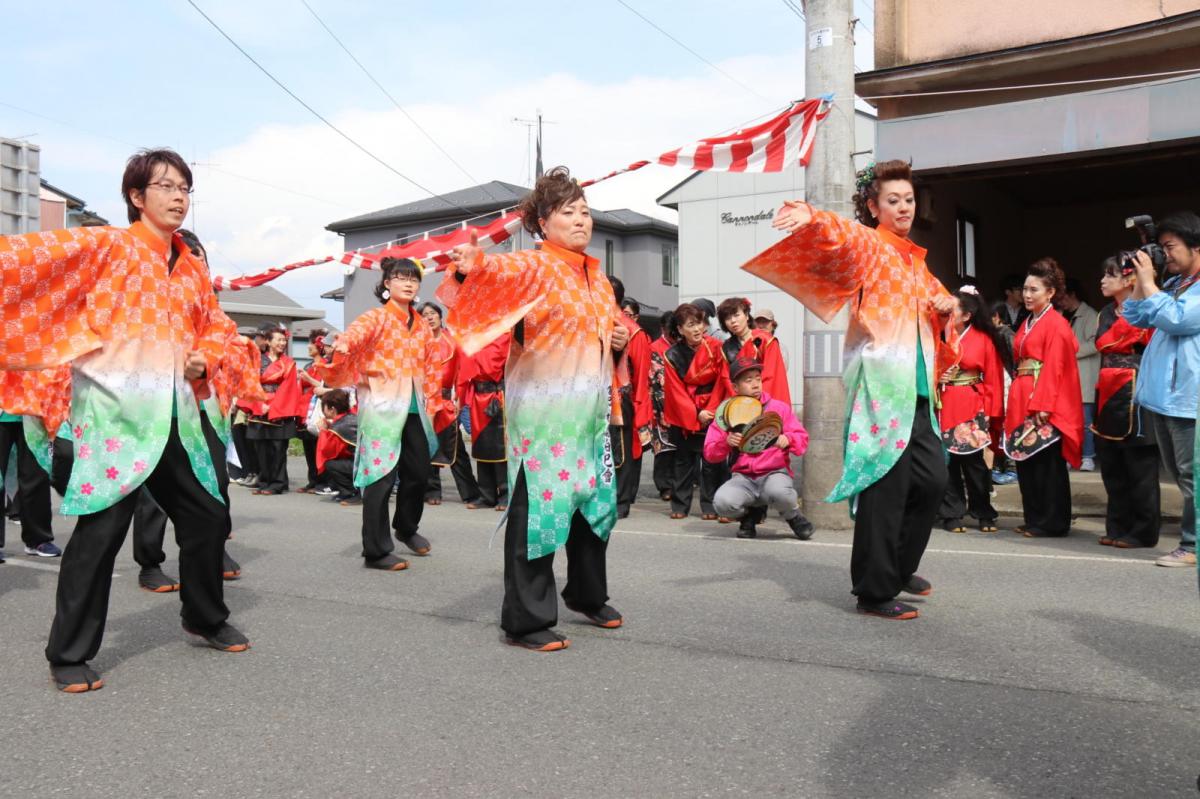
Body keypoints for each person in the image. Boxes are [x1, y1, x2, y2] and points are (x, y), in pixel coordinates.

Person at [0, 148, 251, 692]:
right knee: (101, 532)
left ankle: (203, 616)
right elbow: (20, 260)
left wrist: (205, 356)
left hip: (176, 416)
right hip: (117, 416)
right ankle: (68, 652)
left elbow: (215, 326)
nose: (178, 197)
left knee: (208, 516)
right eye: (165, 186)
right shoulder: (107, 245)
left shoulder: (192, 267)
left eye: (184, 188)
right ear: (136, 196)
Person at [743, 159, 953, 621]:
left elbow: (944, 312)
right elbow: (843, 235)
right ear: (874, 207)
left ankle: (897, 566)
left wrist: (946, 306)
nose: (904, 207)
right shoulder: (871, 244)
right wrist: (813, 217)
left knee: (933, 480)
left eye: (909, 199)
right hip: (881, 388)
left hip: (918, 393)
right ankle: (874, 590)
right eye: (893, 200)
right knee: (886, 484)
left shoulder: (916, 262)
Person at [443, 166, 629, 652]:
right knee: (538, 514)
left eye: (585, 211)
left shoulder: (599, 280)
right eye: (568, 212)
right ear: (543, 223)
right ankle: (525, 620)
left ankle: (588, 595)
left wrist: (618, 342)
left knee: (593, 508)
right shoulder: (532, 267)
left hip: (590, 418)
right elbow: (489, 276)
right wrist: (469, 267)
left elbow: (611, 339)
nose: (581, 220)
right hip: (544, 420)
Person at [315, 257, 440, 570]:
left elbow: (432, 364)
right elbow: (353, 336)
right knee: (380, 476)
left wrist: (436, 401)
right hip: (382, 406)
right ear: (387, 284)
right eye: (401, 278)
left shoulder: (422, 326)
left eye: (414, 278)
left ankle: (406, 527)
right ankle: (375, 549)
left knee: (419, 471)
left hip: (414, 405)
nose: (408, 283)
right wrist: (343, 345)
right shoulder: (375, 318)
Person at [1122, 211, 1200, 567]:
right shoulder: (1174, 284)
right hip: (1165, 397)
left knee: (1191, 475)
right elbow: (1135, 316)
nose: (1164, 254)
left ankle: (1192, 545)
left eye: (1170, 247)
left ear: (1195, 247)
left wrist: (1150, 281)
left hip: (1189, 397)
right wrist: (1144, 280)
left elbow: (1177, 318)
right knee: (1182, 474)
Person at [1003, 258, 1083, 538]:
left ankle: (1053, 521)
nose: (1027, 294)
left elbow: (1055, 366)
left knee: (1046, 461)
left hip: (1042, 395)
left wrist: (1044, 404)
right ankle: (1034, 517)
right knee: (1027, 460)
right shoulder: (1030, 321)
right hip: (1024, 392)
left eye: (1033, 290)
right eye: (1025, 289)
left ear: (1050, 293)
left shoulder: (1056, 324)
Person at [705, 357, 813, 540]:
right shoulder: (726, 414)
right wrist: (726, 443)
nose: (755, 384)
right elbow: (709, 453)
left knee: (780, 493)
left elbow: (802, 438)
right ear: (735, 387)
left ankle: (794, 517)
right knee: (722, 503)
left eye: (758, 378)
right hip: (743, 477)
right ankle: (749, 516)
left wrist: (788, 438)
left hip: (774, 473)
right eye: (748, 380)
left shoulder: (778, 408)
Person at [1092, 256, 1159, 549]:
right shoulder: (1106, 312)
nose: (1103, 280)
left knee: (1140, 468)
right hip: (1108, 391)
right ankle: (1117, 526)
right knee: (1112, 466)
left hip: (1138, 390)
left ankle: (1143, 532)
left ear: (1130, 278)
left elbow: (1119, 341)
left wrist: (1137, 302)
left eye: (1111, 275)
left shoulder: (1150, 307)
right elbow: (1104, 342)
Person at [936, 287, 1005, 534]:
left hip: (972, 402)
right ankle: (951, 513)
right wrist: (938, 376)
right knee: (948, 463)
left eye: (952, 309)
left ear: (967, 315)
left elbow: (994, 377)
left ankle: (983, 511)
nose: (947, 313)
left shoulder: (983, 339)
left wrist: (991, 410)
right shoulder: (939, 335)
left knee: (974, 462)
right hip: (944, 401)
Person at [661, 303, 729, 521]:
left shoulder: (717, 347)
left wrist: (710, 409)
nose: (697, 328)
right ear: (680, 329)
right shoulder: (672, 355)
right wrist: (695, 413)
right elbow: (675, 391)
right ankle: (680, 504)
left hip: (713, 407)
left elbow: (722, 380)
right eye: (691, 325)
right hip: (687, 412)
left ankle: (710, 504)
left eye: (699, 323)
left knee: (712, 462)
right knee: (683, 461)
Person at [421, 302, 483, 507]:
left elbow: (461, 372)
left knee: (457, 450)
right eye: (425, 315)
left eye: (432, 313)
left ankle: (470, 492)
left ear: (440, 317)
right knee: (427, 446)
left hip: (447, 401)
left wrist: (459, 398)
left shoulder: (453, 341)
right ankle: (431, 491)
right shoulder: (418, 343)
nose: (429, 317)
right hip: (425, 401)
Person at [607, 276, 652, 519]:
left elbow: (642, 375)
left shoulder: (633, 331)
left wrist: (640, 408)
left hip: (621, 396)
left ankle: (621, 501)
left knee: (621, 451)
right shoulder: (598, 323)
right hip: (598, 394)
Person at [250, 328, 305, 495]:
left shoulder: (288, 363)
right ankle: (264, 481)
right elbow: (251, 383)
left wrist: (273, 406)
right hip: (259, 404)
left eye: (284, 340)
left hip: (279, 406)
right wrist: (260, 404)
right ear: (268, 341)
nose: (282, 343)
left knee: (278, 448)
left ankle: (278, 483)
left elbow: (288, 389)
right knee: (261, 447)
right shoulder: (257, 360)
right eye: (279, 339)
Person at [459, 333, 511, 510]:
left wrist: (475, 350)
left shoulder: (504, 335)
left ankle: (505, 494)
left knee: (499, 448)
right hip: (478, 398)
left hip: (496, 397)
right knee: (481, 446)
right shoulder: (475, 338)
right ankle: (486, 495)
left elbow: (493, 366)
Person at [717, 297, 791, 406]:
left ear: (747, 315)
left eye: (736, 315)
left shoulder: (766, 340)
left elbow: (770, 375)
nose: (733, 321)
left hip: (765, 398)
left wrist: (756, 402)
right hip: (739, 401)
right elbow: (726, 378)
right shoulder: (726, 347)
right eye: (727, 318)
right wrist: (740, 401)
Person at [1060, 278, 1100, 471]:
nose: (1060, 302)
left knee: (1086, 421)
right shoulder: (1063, 315)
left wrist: (1069, 352)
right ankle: (1071, 455)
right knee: (1067, 420)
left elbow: (1096, 344)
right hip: (1068, 376)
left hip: (1085, 375)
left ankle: (1088, 456)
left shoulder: (1090, 314)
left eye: (1062, 297)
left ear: (1072, 294)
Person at [987, 301, 1018, 486]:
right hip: (998, 380)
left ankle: (1011, 467)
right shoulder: (995, 334)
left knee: (1008, 423)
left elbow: (1015, 360)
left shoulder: (1006, 334)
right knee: (997, 425)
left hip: (1007, 381)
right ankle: (999, 464)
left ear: (996, 317)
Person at [648, 311, 677, 502]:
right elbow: (654, 379)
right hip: (660, 403)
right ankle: (664, 485)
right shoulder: (655, 348)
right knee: (664, 448)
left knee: (678, 448)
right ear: (663, 329)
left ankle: (678, 483)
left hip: (679, 402)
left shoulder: (681, 345)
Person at [296, 330, 329, 494]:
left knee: (319, 446)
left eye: (311, 343)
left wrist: (307, 379)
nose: (308, 346)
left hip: (318, 407)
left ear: (319, 346)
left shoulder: (325, 364)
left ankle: (322, 481)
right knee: (308, 446)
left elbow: (324, 385)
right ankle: (313, 479)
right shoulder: (309, 366)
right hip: (305, 408)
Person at [314, 389, 359, 503]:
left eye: (324, 407)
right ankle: (348, 491)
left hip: (361, 465)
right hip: (364, 461)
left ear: (332, 409)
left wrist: (323, 431)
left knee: (330, 464)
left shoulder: (340, 426)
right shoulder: (350, 416)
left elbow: (327, 451)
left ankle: (351, 491)